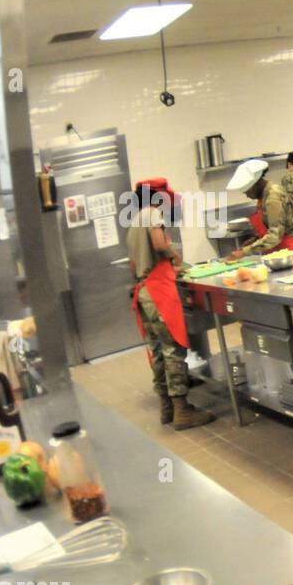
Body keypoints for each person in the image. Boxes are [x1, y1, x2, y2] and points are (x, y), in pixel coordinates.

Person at [126, 178, 215, 431]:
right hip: (158, 292)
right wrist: (175, 257)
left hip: (143, 291)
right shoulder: (152, 214)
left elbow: (134, 265)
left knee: (157, 351)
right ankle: (182, 410)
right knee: (172, 350)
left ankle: (166, 406)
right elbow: (159, 244)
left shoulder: (133, 223)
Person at [225, 159, 293, 262]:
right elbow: (270, 225)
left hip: (290, 253)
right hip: (277, 254)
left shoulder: (273, 197)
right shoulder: (263, 196)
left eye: (247, 191)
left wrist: (244, 252)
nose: (247, 195)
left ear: (257, 184)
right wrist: (255, 239)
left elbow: (275, 236)